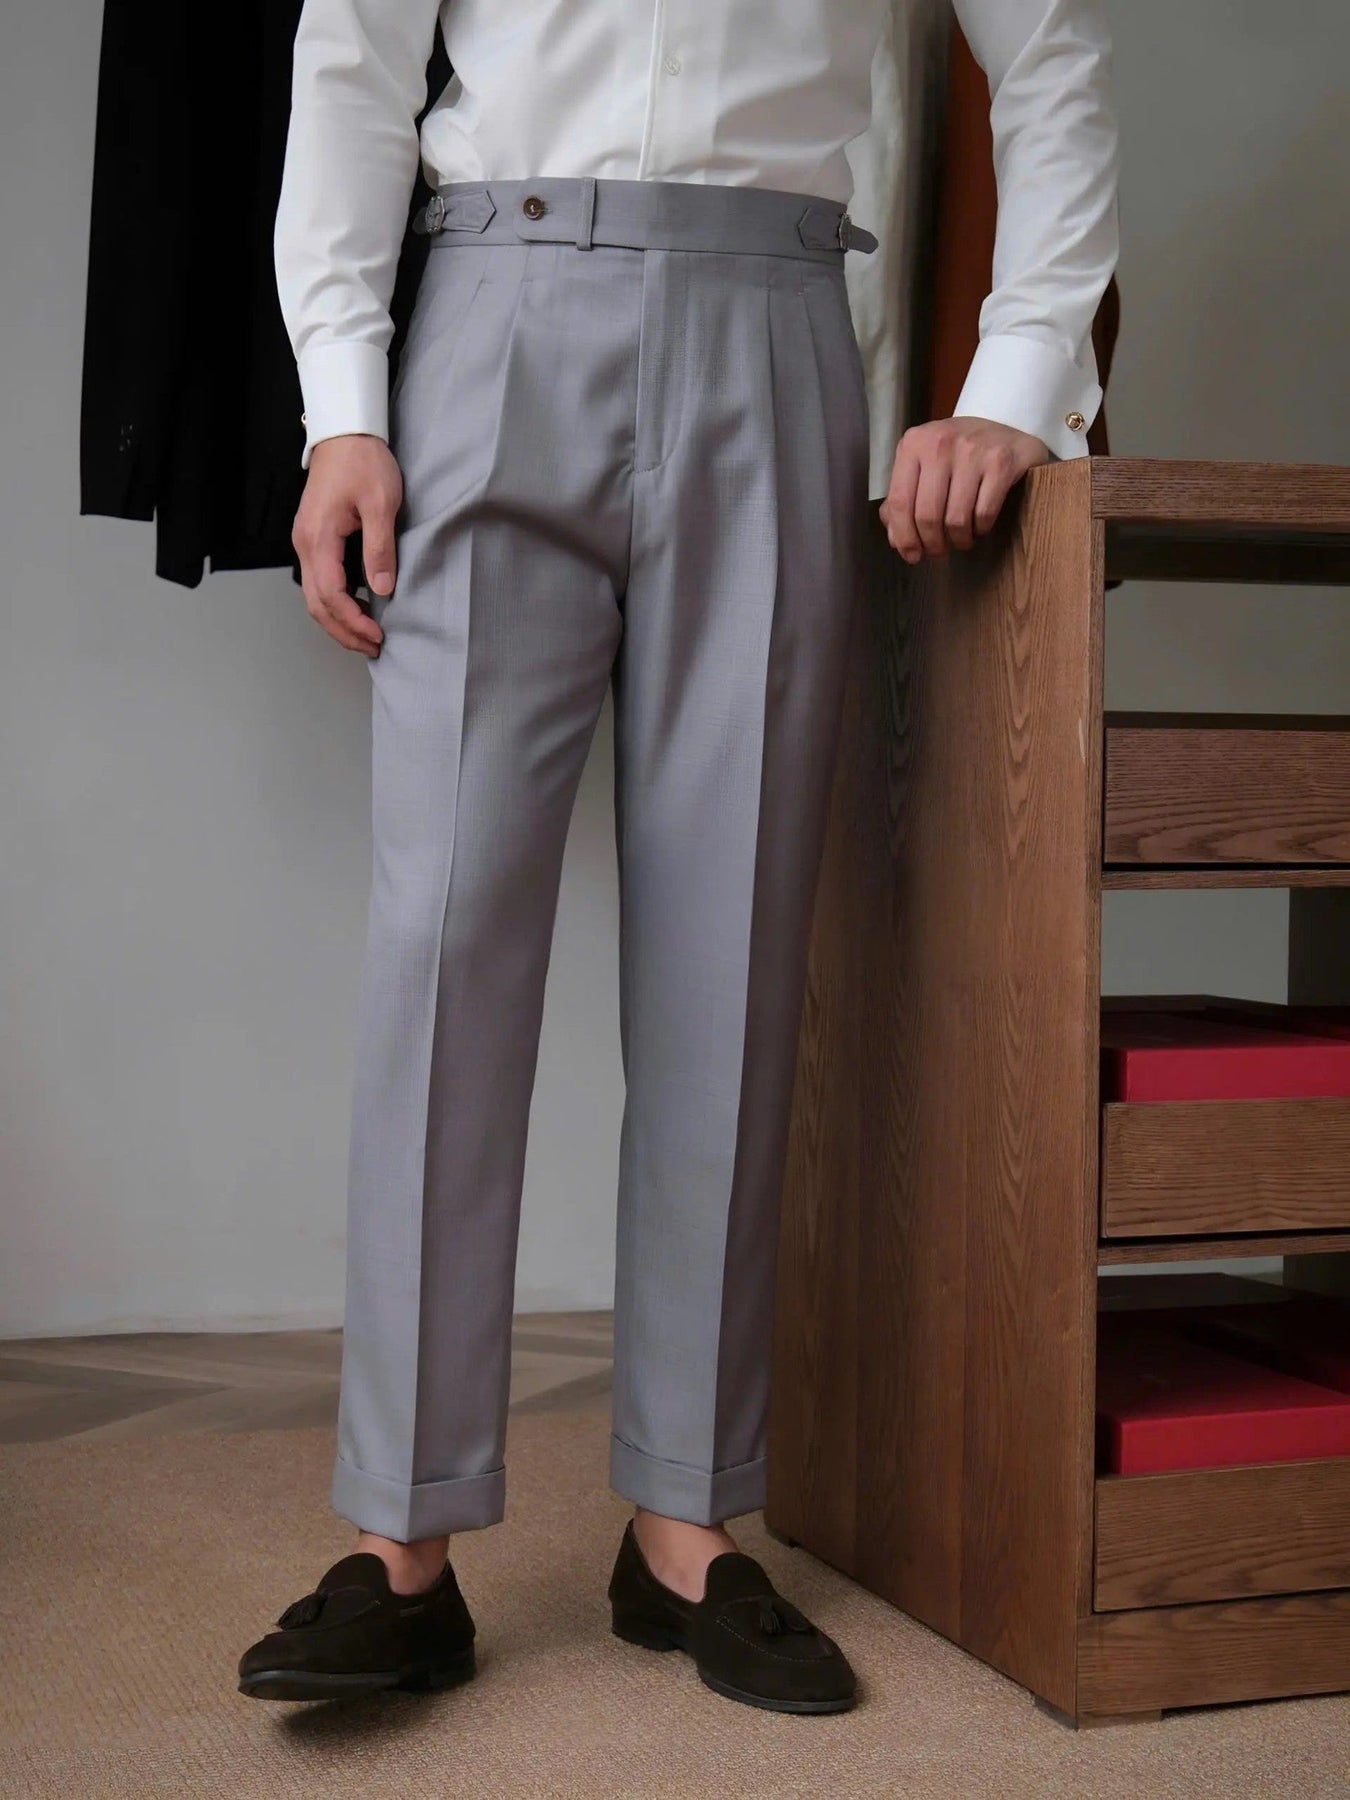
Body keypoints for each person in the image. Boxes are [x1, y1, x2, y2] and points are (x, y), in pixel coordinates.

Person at [237, 0, 1119, 1714]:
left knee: (733, 944)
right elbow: (351, 57)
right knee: (442, 943)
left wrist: (1016, 380)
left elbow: (1055, 54)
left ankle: (685, 1524)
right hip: (488, 309)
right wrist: (341, 407)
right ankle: (400, 1542)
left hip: (771, 314)